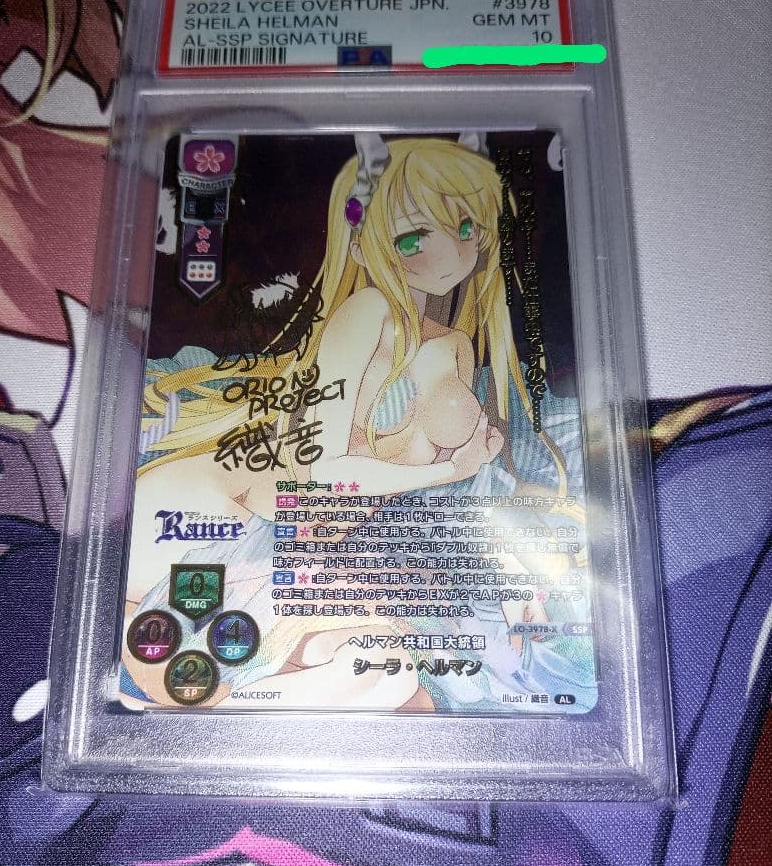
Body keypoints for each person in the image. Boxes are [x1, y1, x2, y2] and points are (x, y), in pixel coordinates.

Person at [125, 135, 594, 712]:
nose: (449, 252)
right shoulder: (367, 313)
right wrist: (447, 470)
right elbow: (325, 477)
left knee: (392, 673)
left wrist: (509, 559)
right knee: (383, 672)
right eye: (414, 236)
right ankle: (194, 712)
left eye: (465, 228)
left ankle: (207, 712)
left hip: (297, 552)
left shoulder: (456, 345)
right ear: (365, 244)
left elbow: (448, 500)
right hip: (221, 520)